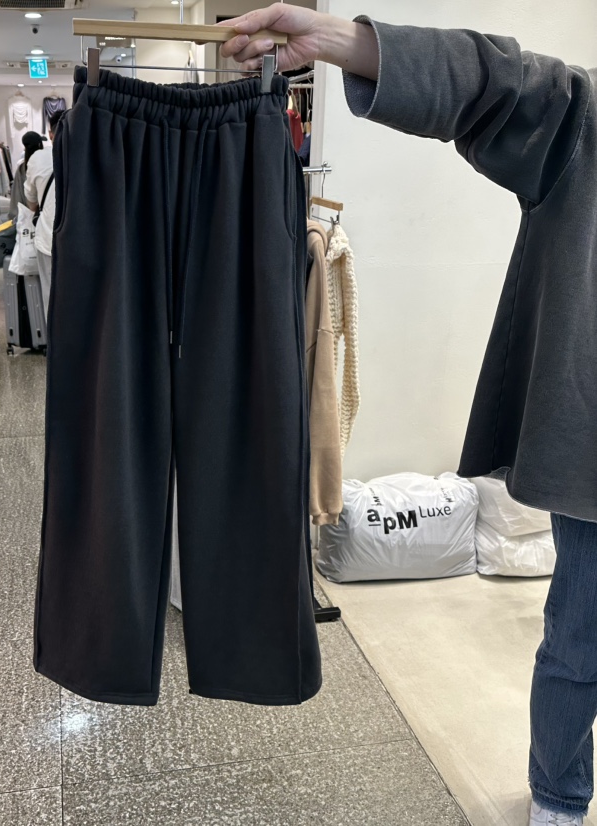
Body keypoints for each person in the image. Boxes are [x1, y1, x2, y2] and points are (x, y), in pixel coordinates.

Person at [221, 7, 597, 826]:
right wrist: (343, 43)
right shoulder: (585, 117)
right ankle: (559, 798)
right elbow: (493, 82)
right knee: (582, 639)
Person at [24, 110, 64, 321]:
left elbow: (31, 202)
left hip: (49, 238)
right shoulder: (91, 155)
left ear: (50, 134)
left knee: (51, 296)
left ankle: (56, 338)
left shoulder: (37, 158)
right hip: (84, 243)